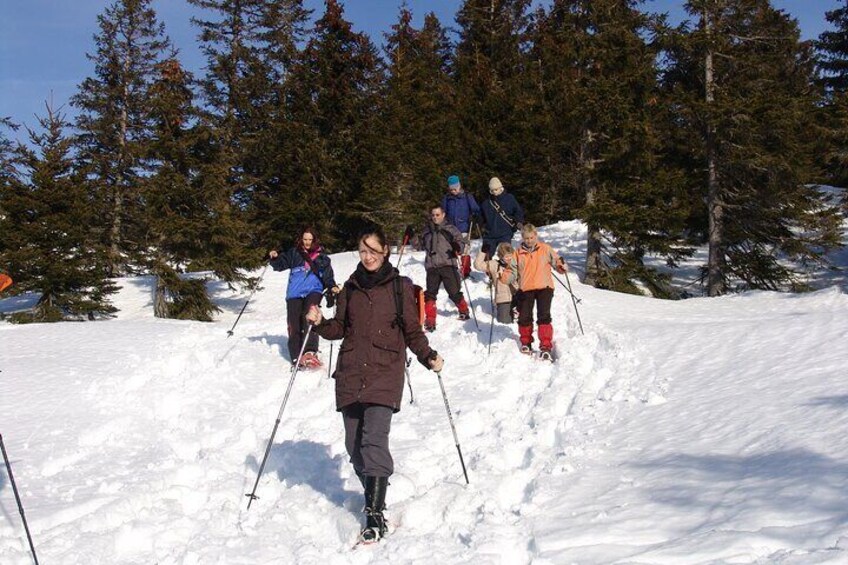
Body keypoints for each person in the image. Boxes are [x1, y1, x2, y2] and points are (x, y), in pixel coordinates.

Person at [305, 227, 444, 543]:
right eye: (362, 250)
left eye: (373, 250)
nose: (367, 256)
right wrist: (320, 322)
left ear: (384, 252)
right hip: (351, 372)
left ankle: (374, 514)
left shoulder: (400, 287)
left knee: (373, 442)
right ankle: (375, 494)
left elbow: (412, 331)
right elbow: (339, 328)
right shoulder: (350, 289)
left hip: (385, 371)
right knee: (354, 448)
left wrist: (428, 356)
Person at [268, 227, 337, 368]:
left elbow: (328, 275)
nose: (307, 242)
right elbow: (280, 265)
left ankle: (310, 351)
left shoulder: (322, 257)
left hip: (314, 290)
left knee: (310, 316)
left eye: (310, 240)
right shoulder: (294, 253)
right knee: (294, 324)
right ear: (301, 239)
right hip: (294, 292)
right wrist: (274, 258)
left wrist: (332, 286)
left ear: (314, 240)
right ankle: (296, 356)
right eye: (305, 239)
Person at [500, 224, 568, 360]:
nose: (529, 240)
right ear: (523, 238)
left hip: (545, 287)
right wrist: (504, 277)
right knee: (524, 317)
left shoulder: (545, 249)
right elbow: (512, 270)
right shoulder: (517, 253)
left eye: (531, 237)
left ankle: (546, 346)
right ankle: (526, 342)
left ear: (536, 236)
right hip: (526, 288)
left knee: (544, 316)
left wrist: (562, 266)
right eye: (526, 238)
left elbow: (556, 262)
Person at [420, 205, 471, 332]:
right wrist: (411, 237)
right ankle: (430, 319)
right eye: (433, 215)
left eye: (437, 215)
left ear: (443, 215)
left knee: (454, 292)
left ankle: (463, 310)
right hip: (432, 266)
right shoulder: (427, 231)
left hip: (448, 264)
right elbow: (419, 245)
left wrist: (457, 247)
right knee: (430, 294)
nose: (435, 217)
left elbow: (461, 243)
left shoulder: (451, 229)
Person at [441, 174, 480, 279]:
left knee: (464, 250)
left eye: (455, 189)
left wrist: (474, 216)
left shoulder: (467, 196)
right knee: (452, 250)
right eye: (451, 189)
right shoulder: (447, 198)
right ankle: (452, 270)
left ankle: (466, 271)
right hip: (450, 228)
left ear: (459, 186)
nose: (453, 191)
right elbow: (443, 212)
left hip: (464, 227)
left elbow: (476, 209)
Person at [473, 242, 518, 324]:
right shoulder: (494, 264)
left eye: (510, 256)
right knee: (504, 323)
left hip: (517, 296)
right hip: (503, 298)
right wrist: (483, 252)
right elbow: (477, 265)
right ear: (501, 256)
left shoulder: (516, 264)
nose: (509, 258)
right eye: (506, 256)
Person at [480, 176, 524, 254]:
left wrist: (519, 221)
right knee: (486, 258)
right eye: (492, 190)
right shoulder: (486, 203)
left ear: (501, 188)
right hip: (490, 235)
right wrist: (479, 222)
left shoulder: (509, 198)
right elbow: (482, 217)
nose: (494, 192)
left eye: (496, 189)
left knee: (506, 255)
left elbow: (518, 211)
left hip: (505, 233)